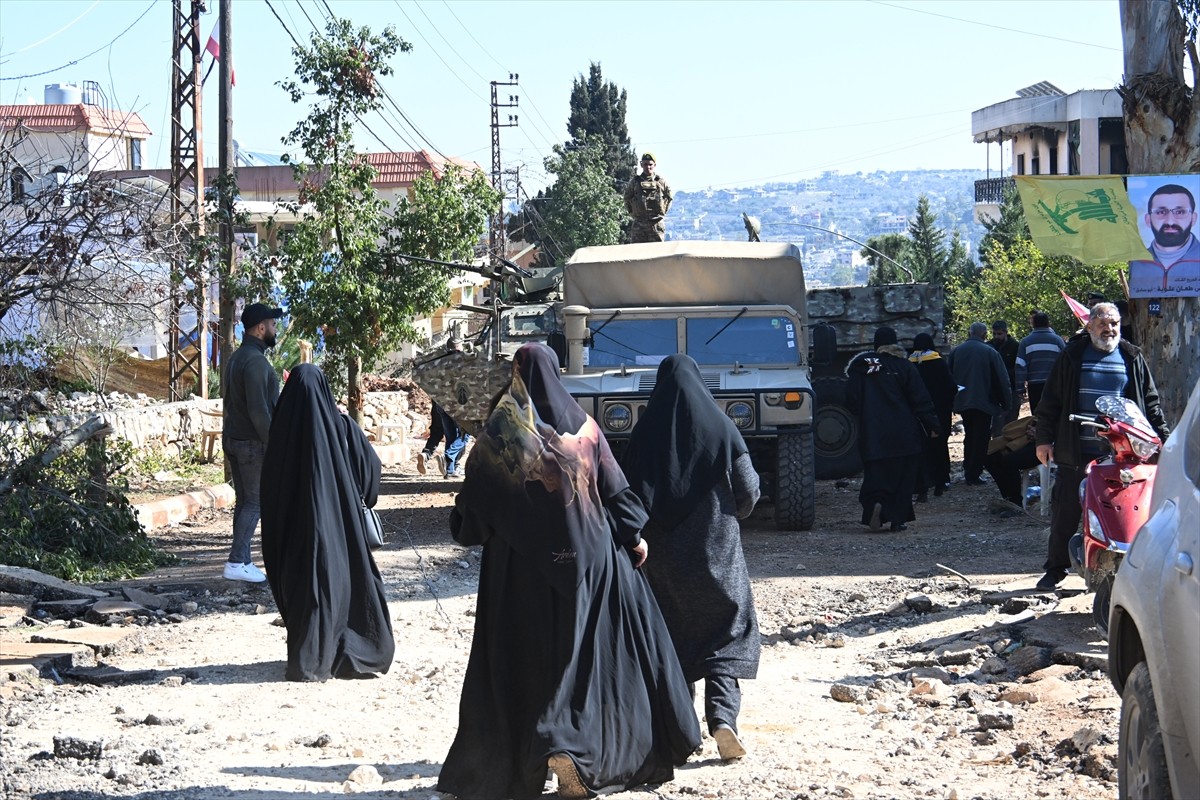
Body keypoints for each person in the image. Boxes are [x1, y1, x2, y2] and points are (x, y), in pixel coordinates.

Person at [437, 343, 700, 800]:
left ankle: (542, 746)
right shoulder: (586, 427)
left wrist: (469, 523)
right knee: (584, 662)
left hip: (517, 573)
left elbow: (473, 516)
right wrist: (634, 538)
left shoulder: (500, 433)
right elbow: (616, 492)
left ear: (516, 376)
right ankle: (573, 748)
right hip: (591, 566)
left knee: (524, 661)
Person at [620, 354, 761, 761]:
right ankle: (722, 719)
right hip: (718, 554)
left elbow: (625, 500)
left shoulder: (643, 435)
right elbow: (749, 492)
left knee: (672, 640)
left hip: (660, 560)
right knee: (728, 633)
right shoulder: (722, 429)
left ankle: (681, 735)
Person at [259, 365, 395, 681]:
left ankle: (307, 658)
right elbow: (371, 475)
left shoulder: (282, 433)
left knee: (306, 591)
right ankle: (348, 650)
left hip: (295, 540)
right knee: (342, 586)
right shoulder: (342, 428)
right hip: (340, 535)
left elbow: (268, 493)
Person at [1033, 302, 1170, 590]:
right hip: (1076, 449)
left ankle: (1126, 569)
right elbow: (1050, 402)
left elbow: (1151, 404)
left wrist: (1165, 441)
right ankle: (1056, 569)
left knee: (1126, 511)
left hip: (1124, 454)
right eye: (1103, 324)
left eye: (1114, 324)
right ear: (1090, 326)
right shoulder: (1071, 356)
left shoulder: (1131, 357)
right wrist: (1044, 439)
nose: (1109, 330)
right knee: (1066, 509)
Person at [846, 327, 939, 532]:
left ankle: (876, 506)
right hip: (904, 433)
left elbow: (851, 399)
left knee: (876, 476)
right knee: (903, 478)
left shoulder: (862, 367)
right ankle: (898, 519)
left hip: (874, 433)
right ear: (895, 343)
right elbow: (920, 399)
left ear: (876, 345)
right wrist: (933, 424)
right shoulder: (904, 366)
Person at [220, 301, 283, 583]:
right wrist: (275, 446)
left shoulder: (237, 357)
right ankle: (236, 561)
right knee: (255, 503)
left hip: (235, 439)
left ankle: (242, 559)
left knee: (245, 502)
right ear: (260, 328)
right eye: (272, 324)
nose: (274, 328)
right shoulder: (256, 362)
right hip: (251, 444)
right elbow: (259, 411)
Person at [948, 322, 1011, 486]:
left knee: (969, 434)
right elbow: (1002, 380)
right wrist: (1006, 402)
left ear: (970, 333)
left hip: (963, 400)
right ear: (984, 335)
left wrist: (952, 401)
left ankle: (968, 467)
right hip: (984, 401)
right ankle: (974, 473)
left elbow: (948, 377)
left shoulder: (956, 351)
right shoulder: (990, 352)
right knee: (981, 437)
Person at [909, 332, 955, 499]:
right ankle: (941, 480)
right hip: (939, 411)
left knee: (923, 448)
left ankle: (924, 482)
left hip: (919, 414)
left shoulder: (910, 364)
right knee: (940, 446)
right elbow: (950, 386)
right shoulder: (939, 363)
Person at [982, 417, 1040, 516]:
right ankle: (1008, 499)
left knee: (1010, 461)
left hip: (1052, 444)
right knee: (990, 457)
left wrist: (1044, 433)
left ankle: (1016, 503)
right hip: (1032, 438)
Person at [1015, 310, 1065, 413]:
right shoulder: (1058, 341)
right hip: (1054, 384)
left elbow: (1020, 366)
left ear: (1033, 324)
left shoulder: (1026, 342)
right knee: (1054, 414)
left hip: (1034, 386)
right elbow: (1065, 363)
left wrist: (1020, 388)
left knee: (1037, 415)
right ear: (1048, 323)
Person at [624, 152, 673, 243]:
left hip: (656, 223)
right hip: (639, 224)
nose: (648, 167)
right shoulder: (635, 182)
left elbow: (669, 198)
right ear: (641, 164)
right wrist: (633, 213)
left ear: (654, 165)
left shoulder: (661, 182)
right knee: (637, 252)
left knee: (657, 253)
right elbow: (627, 198)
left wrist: (662, 212)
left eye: (650, 164)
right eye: (645, 164)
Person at [989, 320, 1019, 435]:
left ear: (1006, 332)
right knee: (996, 424)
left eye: (999, 333)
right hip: (995, 390)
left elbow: (1018, 367)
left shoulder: (1014, 346)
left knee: (1011, 423)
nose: (996, 336)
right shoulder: (990, 346)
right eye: (994, 333)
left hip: (1012, 387)